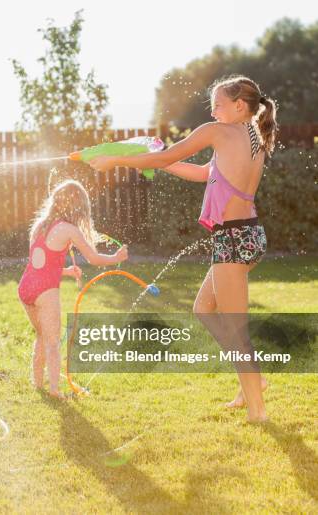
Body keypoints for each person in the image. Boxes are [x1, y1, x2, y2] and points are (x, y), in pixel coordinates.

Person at [89, 76, 277, 422]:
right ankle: (253, 382)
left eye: (218, 105)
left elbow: (166, 160)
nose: (213, 111)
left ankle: (257, 410)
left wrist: (117, 160)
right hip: (249, 236)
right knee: (204, 308)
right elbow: (203, 172)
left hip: (232, 239)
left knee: (236, 329)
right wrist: (156, 157)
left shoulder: (218, 132)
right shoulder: (254, 138)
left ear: (239, 106)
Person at [18, 179, 128, 399]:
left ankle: (38, 384)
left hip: (26, 287)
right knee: (52, 341)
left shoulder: (40, 225)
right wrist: (116, 257)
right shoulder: (68, 229)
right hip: (45, 291)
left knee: (41, 335)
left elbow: (40, 264)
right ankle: (55, 392)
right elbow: (94, 258)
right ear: (78, 207)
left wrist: (67, 271)